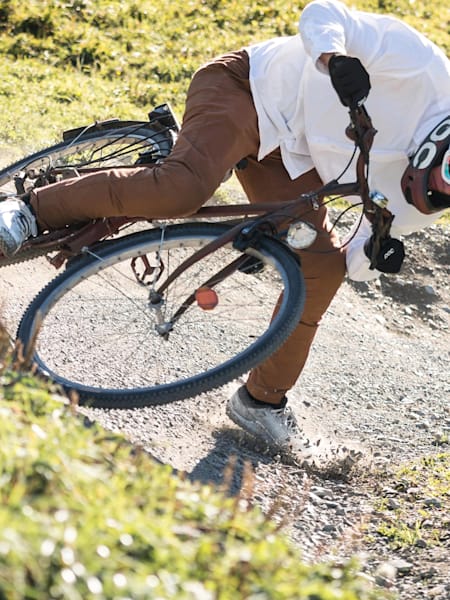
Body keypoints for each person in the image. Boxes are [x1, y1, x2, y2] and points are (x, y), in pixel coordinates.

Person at [0, 0, 449, 456]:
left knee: (322, 270)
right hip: (247, 90)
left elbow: (360, 250)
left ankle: (261, 402)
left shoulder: (425, 202)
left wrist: (370, 257)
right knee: (181, 189)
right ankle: (27, 210)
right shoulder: (423, 68)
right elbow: (323, 12)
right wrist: (334, 57)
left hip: (293, 160)